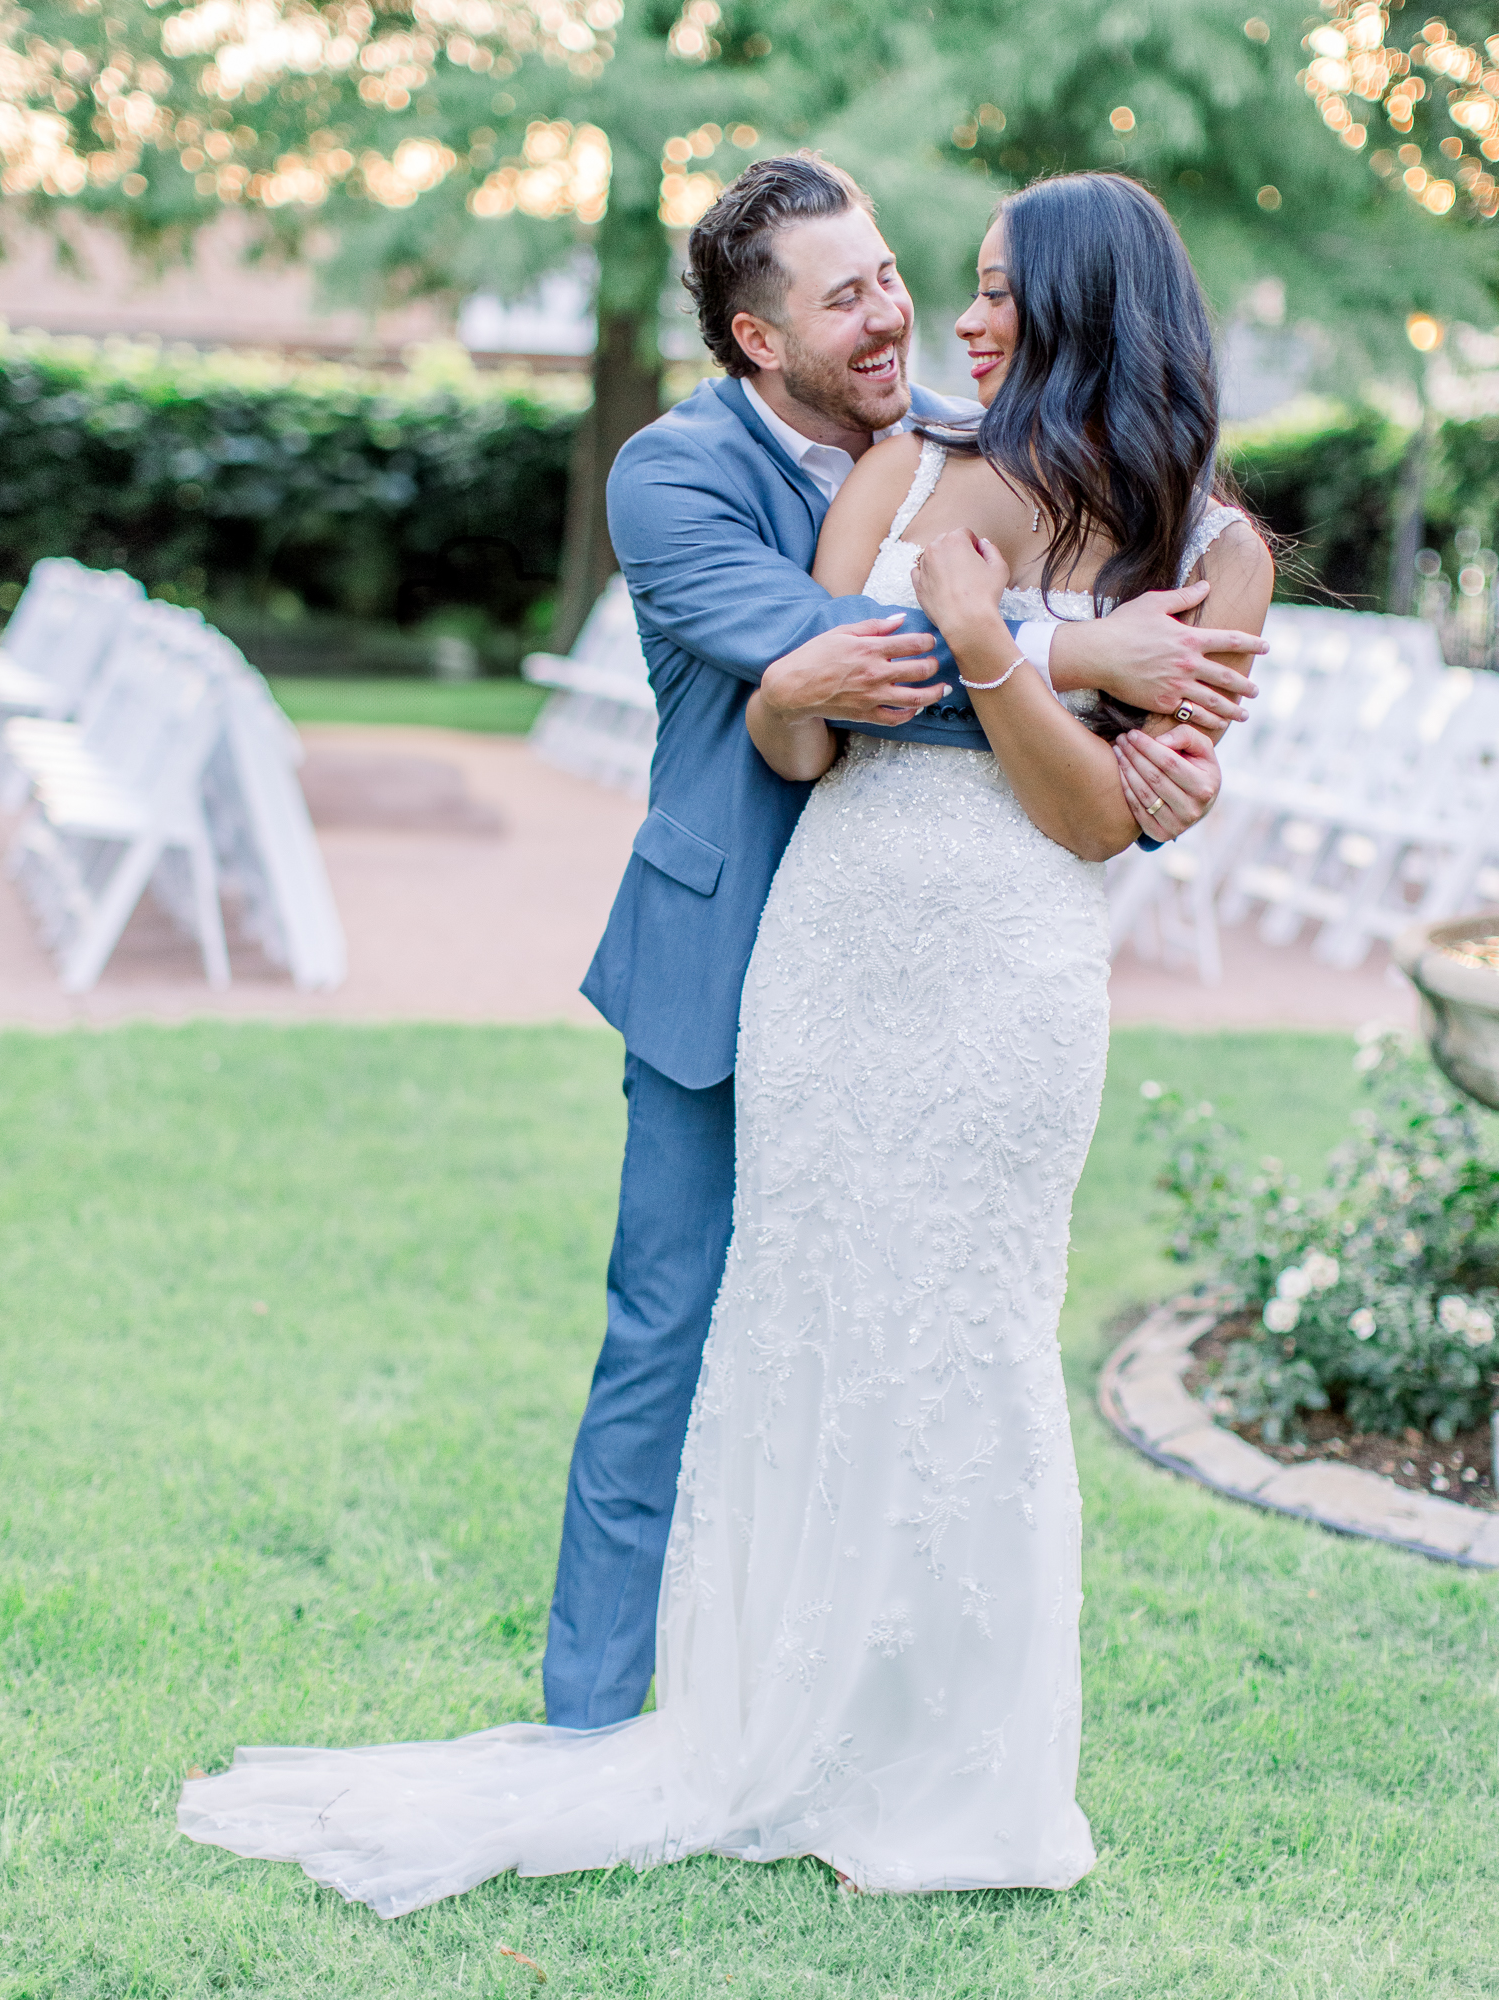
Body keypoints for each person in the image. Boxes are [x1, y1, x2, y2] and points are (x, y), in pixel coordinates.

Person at [178, 164, 1271, 1909]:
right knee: (707, 1322)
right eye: (858, 297)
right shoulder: (687, 469)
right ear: (759, 336)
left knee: (962, 1342)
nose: (913, 316)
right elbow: (810, 685)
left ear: (1083, 314)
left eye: (927, 282)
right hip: (769, 952)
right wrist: (1061, 650)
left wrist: (1081, 690)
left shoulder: (1171, 533)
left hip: (993, 975)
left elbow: (1110, 818)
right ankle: (604, 1719)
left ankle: (927, 1744)